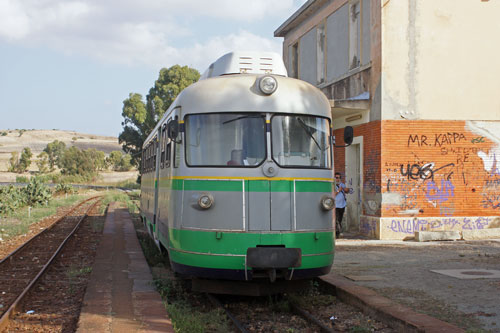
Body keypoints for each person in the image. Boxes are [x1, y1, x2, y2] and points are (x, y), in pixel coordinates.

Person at [334, 172, 350, 238]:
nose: (338, 179)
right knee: (337, 220)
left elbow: (347, 191)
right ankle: (339, 232)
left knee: (340, 219)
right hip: (335, 205)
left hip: (342, 205)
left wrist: (346, 190)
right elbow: (332, 194)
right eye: (336, 177)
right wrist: (338, 190)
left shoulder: (342, 185)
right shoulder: (332, 185)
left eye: (339, 178)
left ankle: (337, 232)